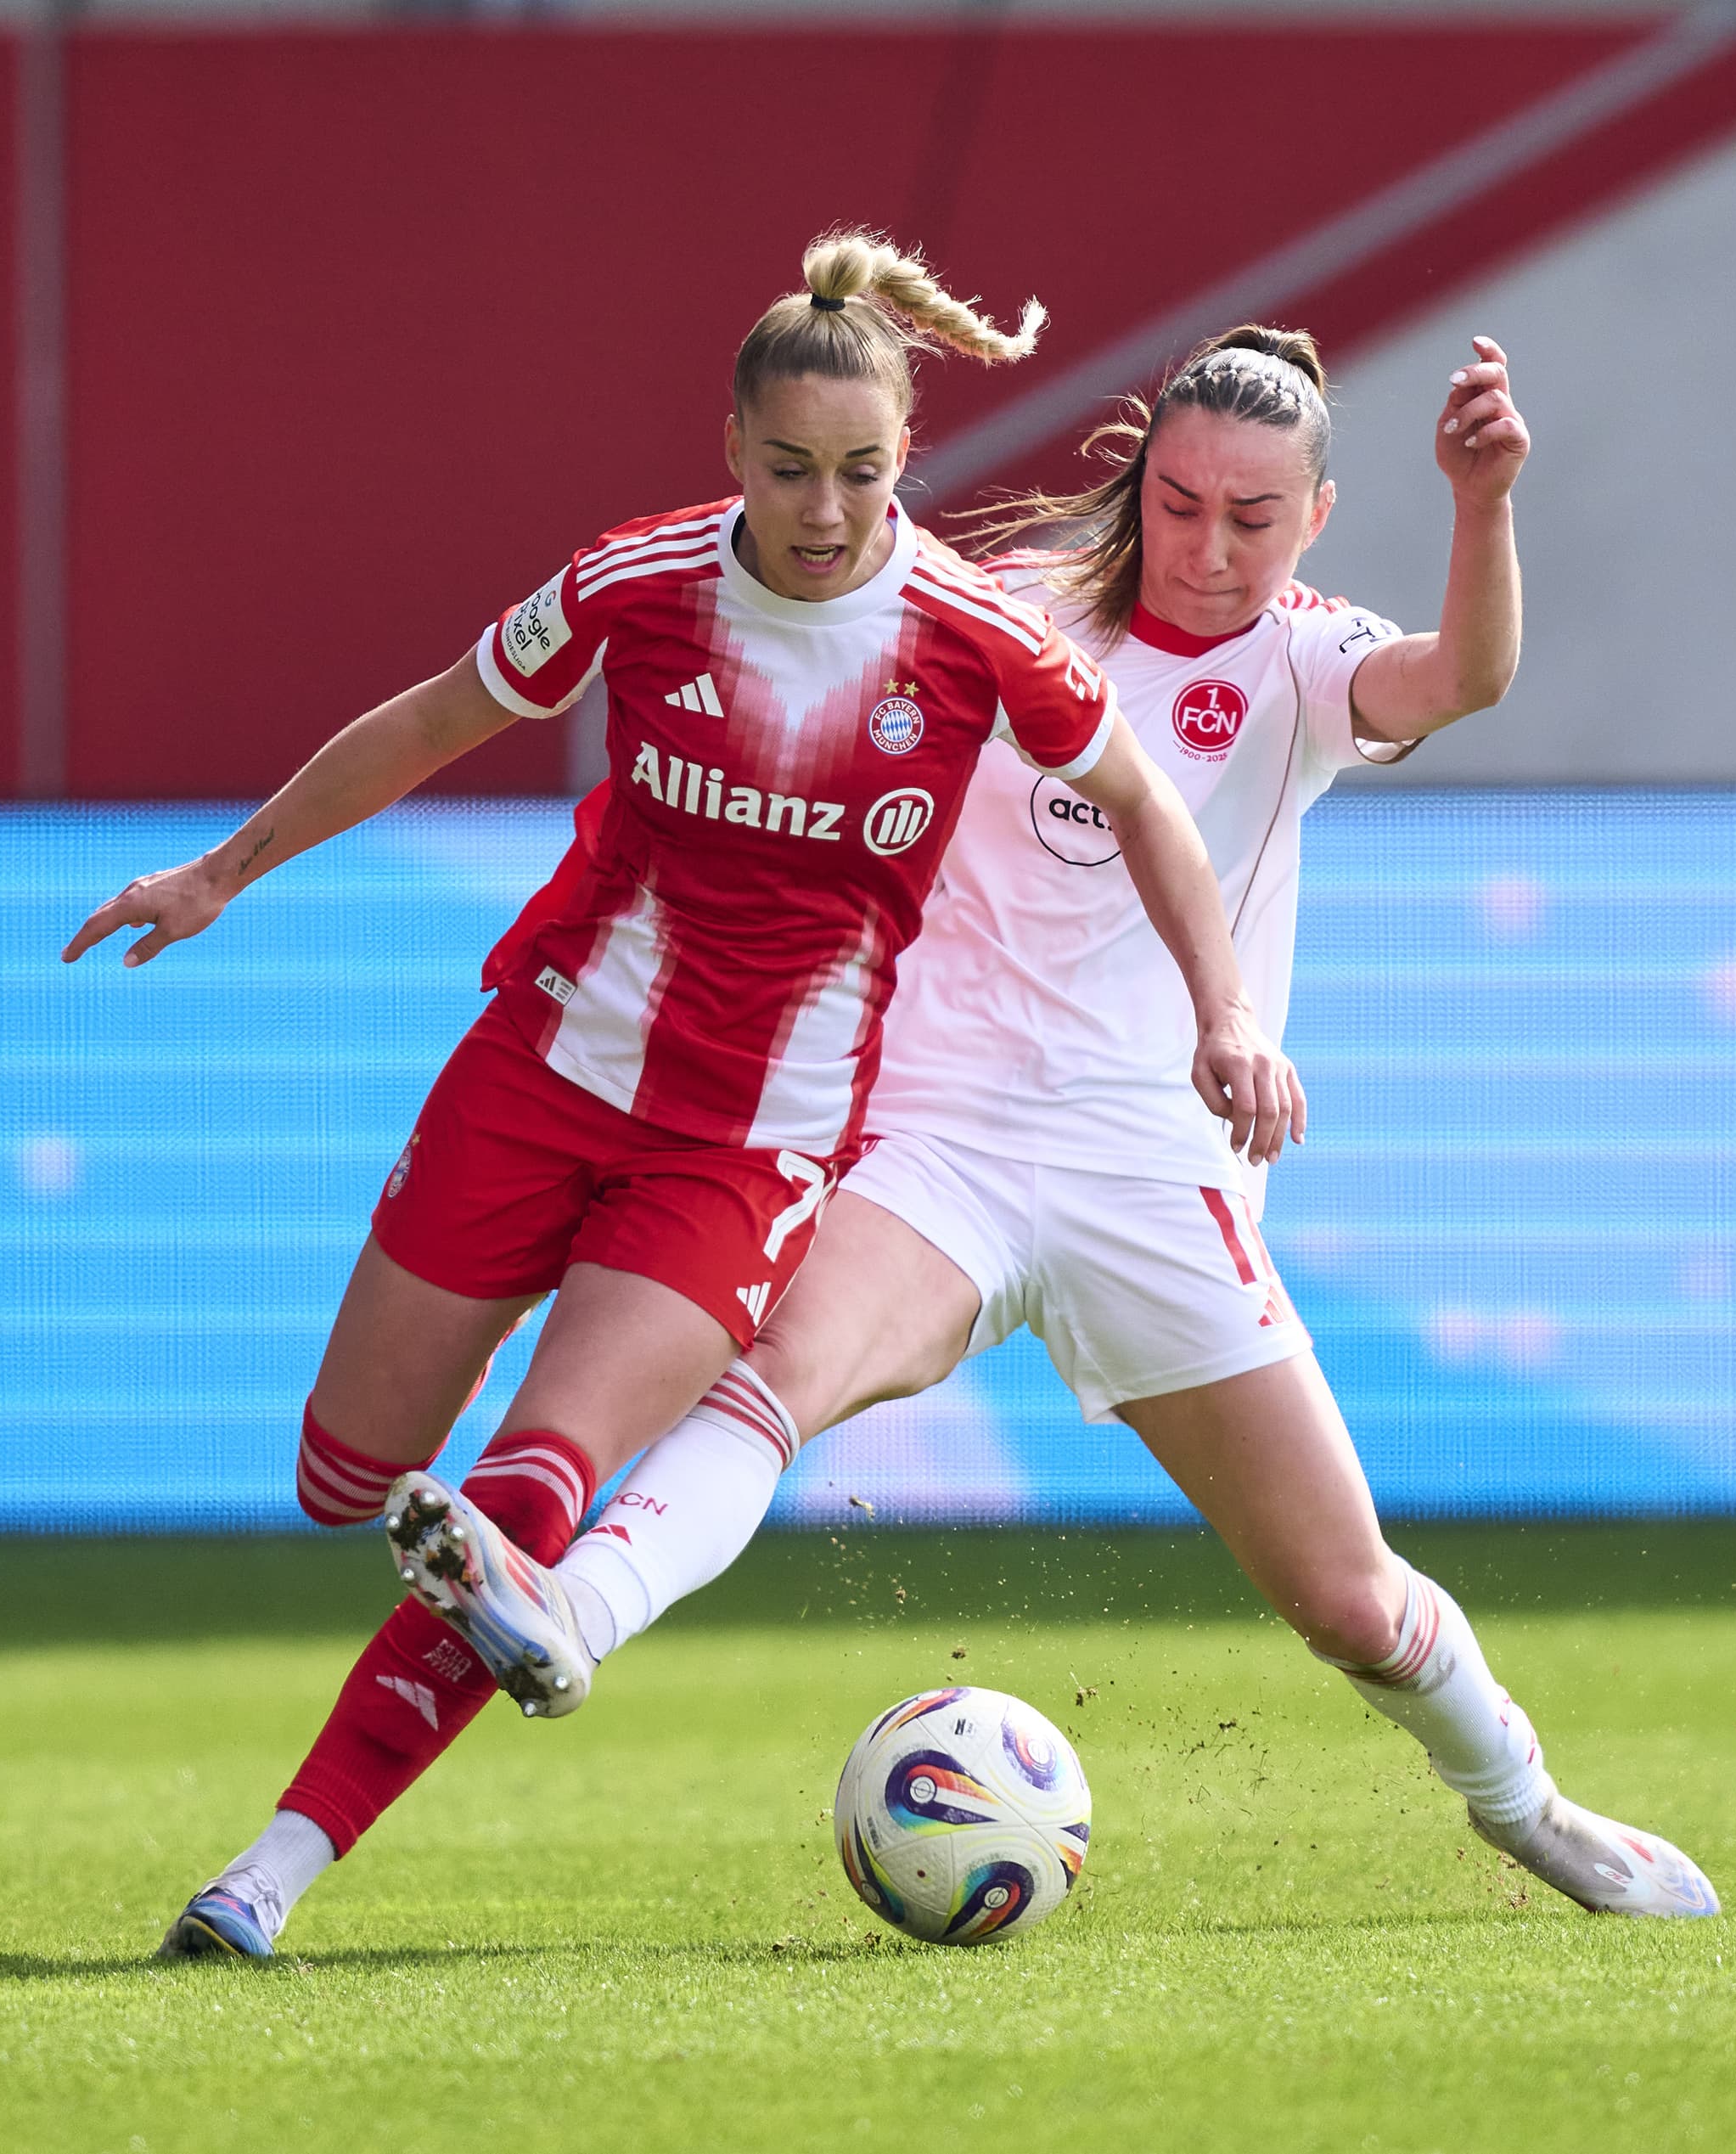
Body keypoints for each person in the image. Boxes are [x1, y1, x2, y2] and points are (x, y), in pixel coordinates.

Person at [65, 233, 1301, 1960]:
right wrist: (224, 871)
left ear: (902, 466)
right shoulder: (633, 583)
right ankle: (470, 1539)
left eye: (864, 472)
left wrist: (1224, 1008)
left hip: (745, 1154)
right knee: (346, 1480)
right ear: (733, 452)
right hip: (545, 1072)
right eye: (791, 470)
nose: (826, 509)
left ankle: (267, 1874)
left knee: (535, 1486)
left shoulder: (963, 630)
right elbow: (431, 723)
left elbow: (1151, 804)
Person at [396, 325, 1721, 1921]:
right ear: (1137, 482)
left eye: (1251, 517)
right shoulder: (999, 611)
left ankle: (1535, 1813)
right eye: (1180, 505)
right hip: (936, 1139)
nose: (1210, 547)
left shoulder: (1301, 660)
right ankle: (573, 1616)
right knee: (779, 1378)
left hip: (1151, 1169)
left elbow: (1465, 678)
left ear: (1312, 519)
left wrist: (1485, 503)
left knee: (1346, 1599)